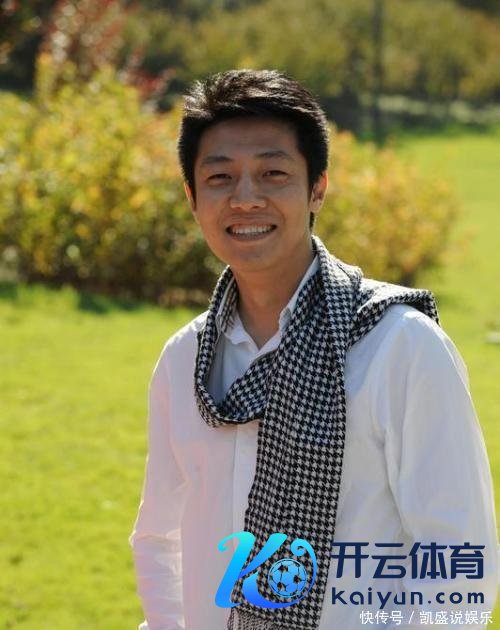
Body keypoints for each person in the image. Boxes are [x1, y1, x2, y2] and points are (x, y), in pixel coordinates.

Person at [129, 69, 498, 630]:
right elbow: (161, 535)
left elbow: (458, 559)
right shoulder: (186, 358)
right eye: (220, 177)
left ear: (317, 188)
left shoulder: (399, 346)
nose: (245, 199)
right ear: (192, 198)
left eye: (273, 173)